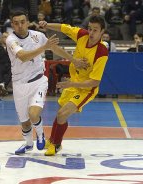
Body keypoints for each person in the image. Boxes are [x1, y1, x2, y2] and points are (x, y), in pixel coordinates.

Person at [6, 9, 88, 155]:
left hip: (38, 80)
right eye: (16, 23)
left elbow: (56, 49)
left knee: (33, 114)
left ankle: (41, 135)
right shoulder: (11, 40)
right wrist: (45, 47)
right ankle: (28, 144)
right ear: (12, 24)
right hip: (19, 83)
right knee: (25, 123)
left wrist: (74, 60)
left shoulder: (38, 36)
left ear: (27, 22)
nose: (20, 26)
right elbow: (23, 56)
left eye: (23, 22)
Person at [39, 15, 109, 156]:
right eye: (90, 28)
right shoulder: (82, 35)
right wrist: (47, 25)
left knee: (62, 113)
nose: (91, 32)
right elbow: (64, 28)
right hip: (73, 82)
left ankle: (56, 144)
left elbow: (95, 82)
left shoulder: (101, 52)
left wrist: (70, 83)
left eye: (95, 30)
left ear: (102, 32)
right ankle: (52, 139)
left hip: (86, 89)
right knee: (61, 114)